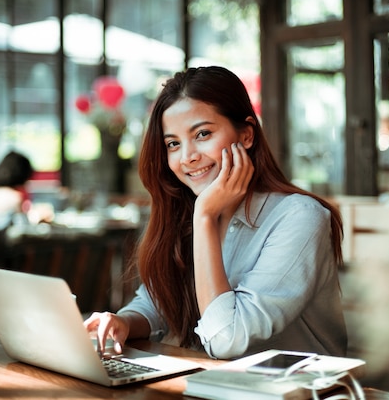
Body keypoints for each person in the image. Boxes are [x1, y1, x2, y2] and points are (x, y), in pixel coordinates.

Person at [84, 66, 347, 360]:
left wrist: (205, 218)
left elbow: (227, 339)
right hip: (215, 386)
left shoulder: (299, 217)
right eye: (173, 143)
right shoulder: (186, 210)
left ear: (246, 135)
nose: (187, 157)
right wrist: (123, 322)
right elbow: (159, 301)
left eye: (203, 134)